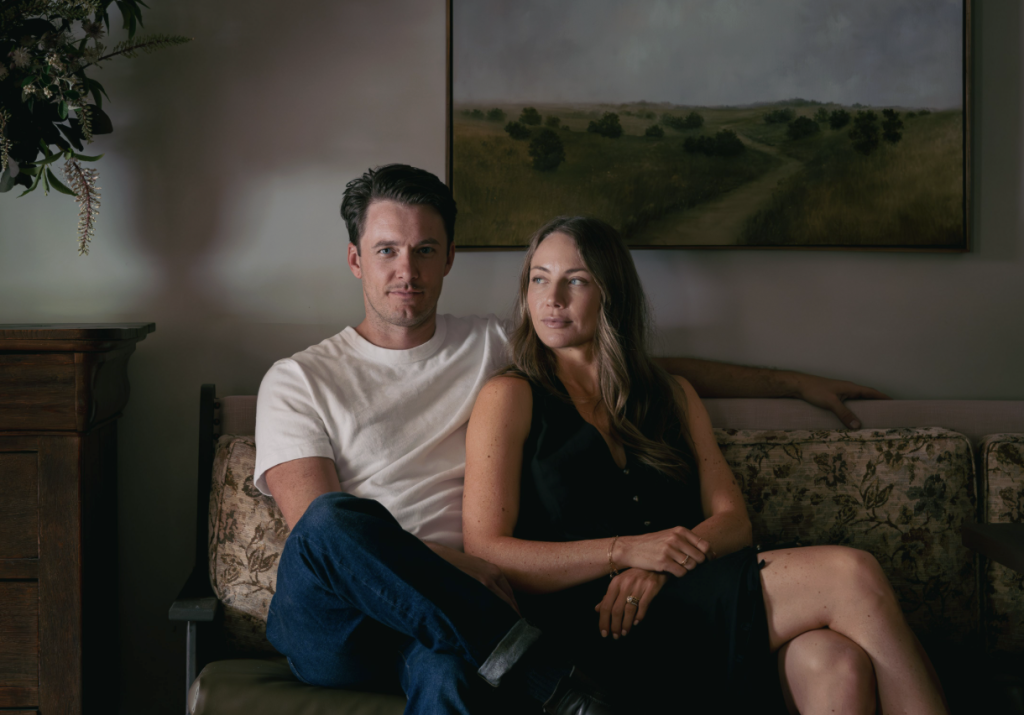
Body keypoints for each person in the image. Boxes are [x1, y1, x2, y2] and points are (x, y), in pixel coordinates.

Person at [254, 164, 890, 715]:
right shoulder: (300, 378)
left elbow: (629, 362)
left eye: (425, 250)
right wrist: (467, 566)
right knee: (332, 521)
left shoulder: (495, 344)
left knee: (450, 676)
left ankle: (524, 668)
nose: (407, 270)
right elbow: (321, 534)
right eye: (387, 250)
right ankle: (553, 686)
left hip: (460, 631)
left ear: (450, 257)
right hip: (348, 621)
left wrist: (790, 381)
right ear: (356, 258)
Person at [462, 215, 949, 715]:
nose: (552, 298)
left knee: (834, 661)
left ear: (611, 292)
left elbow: (733, 523)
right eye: (539, 278)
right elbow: (488, 549)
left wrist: (663, 566)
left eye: (576, 280)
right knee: (851, 572)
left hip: (689, 596)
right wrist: (628, 552)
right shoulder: (510, 396)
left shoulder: (672, 395)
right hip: (596, 629)